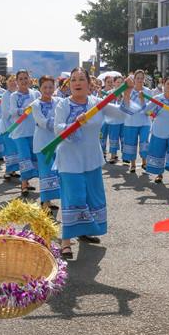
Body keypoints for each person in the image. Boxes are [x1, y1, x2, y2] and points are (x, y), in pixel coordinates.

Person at [54, 67, 133, 260]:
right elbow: (58, 128)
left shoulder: (97, 103)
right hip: (69, 160)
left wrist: (127, 93)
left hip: (91, 159)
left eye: (81, 79)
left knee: (91, 197)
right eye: (73, 79)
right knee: (73, 198)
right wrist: (75, 123)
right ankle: (66, 242)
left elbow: (121, 114)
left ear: (89, 84)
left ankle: (84, 231)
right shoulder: (63, 104)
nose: (77, 83)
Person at [145, 76, 169, 184]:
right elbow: (146, 110)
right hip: (159, 130)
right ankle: (159, 175)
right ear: (163, 84)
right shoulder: (157, 98)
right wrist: (151, 111)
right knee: (159, 153)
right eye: (168, 84)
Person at [8, 70, 40, 196]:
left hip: (34, 132)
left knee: (32, 157)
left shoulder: (35, 93)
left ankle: (27, 182)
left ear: (30, 79)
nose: (23, 81)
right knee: (24, 157)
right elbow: (12, 111)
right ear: (17, 81)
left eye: (25, 78)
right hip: (20, 132)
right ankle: (23, 184)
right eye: (20, 79)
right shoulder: (14, 96)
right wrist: (24, 110)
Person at [31, 75, 61, 211]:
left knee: (55, 173)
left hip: (57, 143)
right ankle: (44, 202)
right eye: (45, 87)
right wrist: (59, 124)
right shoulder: (35, 105)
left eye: (50, 87)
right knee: (45, 173)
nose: (48, 90)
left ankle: (49, 201)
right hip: (42, 144)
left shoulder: (59, 101)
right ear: (40, 88)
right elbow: (41, 122)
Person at [122, 70, 151, 173]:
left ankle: (144, 162)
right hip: (131, 122)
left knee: (144, 142)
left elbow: (149, 109)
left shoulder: (148, 91)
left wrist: (142, 99)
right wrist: (126, 94)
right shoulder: (129, 90)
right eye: (137, 78)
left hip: (145, 122)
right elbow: (126, 106)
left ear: (144, 79)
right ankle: (133, 164)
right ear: (134, 79)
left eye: (141, 78)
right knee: (131, 143)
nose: (140, 80)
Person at [0, 75, 20, 180]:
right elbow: (5, 112)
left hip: (16, 128)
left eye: (14, 81)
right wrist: (18, 112)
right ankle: (7, 171)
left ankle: (13, 170)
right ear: (7, 83)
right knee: (10, 150)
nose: (13, 83)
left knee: (15, 150)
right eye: (10, 81)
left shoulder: (18, 95)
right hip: (7, 128)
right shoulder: (5, 95)